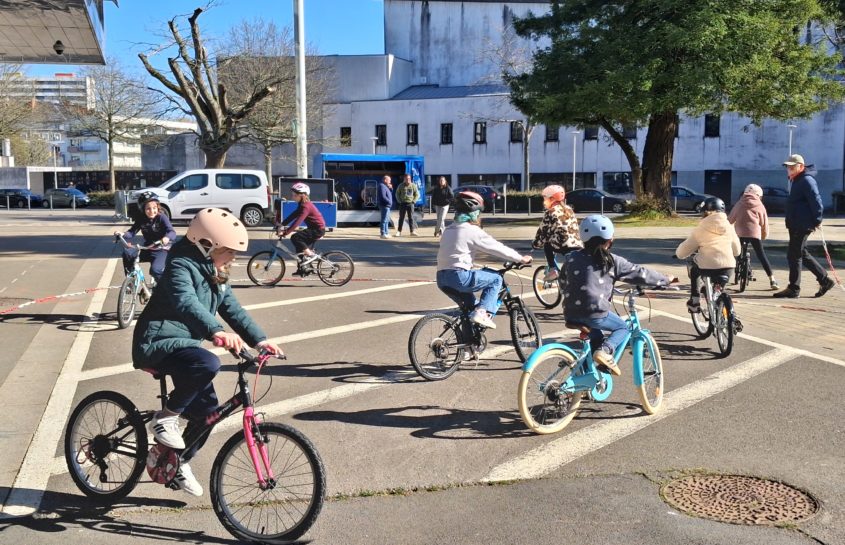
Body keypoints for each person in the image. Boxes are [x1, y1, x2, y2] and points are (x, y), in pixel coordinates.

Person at [133, 208, 283, 496]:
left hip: (185, 344)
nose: (233, 257)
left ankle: (178, 462)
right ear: (207, 245)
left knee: (208, 413)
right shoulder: (180, 264)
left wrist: (260, 340)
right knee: (208, 362)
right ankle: (165, 418)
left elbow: (233, 310)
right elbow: (185, 302)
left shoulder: (216, 271)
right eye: (229, 251)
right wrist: (215, 331)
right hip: (157, 341)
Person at [563, 215, 674, 376]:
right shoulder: (612, 261)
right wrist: (665, 279)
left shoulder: (571, 257)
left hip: (570, 312)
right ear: (610, 240)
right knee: (623, 327)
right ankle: (605, 351)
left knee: (596, 336)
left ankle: (588, 378)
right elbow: (640, 273)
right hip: (594, 313)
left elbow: (563, 281)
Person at [436, 191, 533, 329]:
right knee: (496, 279)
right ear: (474, 212)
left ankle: (468, 346)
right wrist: (521, 258)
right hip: (459, 277)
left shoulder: (448, 229)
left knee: (470, 309)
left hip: (442, 278)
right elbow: (496, 248)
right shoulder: (472, 231)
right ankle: (482, 313)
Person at [774, 154, 835, 298]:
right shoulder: (798, 180)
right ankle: (824, 280)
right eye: (787, 167)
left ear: (801, 167)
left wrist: (817, 219)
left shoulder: (806, 180)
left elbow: (816, 201)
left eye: (791, 166)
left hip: (802, 224)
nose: (788, 169)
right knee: (800, 253)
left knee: (794, 255)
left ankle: (794, 288)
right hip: (796, 223)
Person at [675, 197, 741, 312]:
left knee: (695, 270)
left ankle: (695, 301)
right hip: (729, 267)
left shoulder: (700, 229)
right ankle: (723, 313)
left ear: (705, 212)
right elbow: (737, 251)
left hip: (708, 267)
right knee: (719, 292)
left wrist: (678, 253)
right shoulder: (729, 227)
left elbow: (682, 252)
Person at [115, 191, 176, 283]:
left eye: (154, 208)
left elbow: (172, 232)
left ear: (158, 207)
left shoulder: (162, 217)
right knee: (128, 253)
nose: (152, 211)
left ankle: (164, 288)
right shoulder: (141, 218)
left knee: (155, 270)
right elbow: (132, 232)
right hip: (148, 248)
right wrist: (122, 234)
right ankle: (130, 280)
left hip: (162, 249)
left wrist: (167, 237)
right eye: (148, 209)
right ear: (143, 209)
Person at [727, 183, 778, 289]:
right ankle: (772, 279)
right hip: (755, 234)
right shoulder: (760, 205)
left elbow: (731, 219)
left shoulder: (739, 203)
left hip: (740, 233)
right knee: (761, 255)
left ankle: (727, 276)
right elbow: (764, 223)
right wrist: (764, 235)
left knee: (736, 253)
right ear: (758, 195)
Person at [532, 185, 583, 282]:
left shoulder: (550, 212)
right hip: (577, 244)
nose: (544, 201)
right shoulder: (569, 209)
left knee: (547, 245)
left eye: (545, 198)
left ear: (551, 198)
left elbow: (543, 231)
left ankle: (552, 269)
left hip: (563, 244)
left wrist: (536, 244)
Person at [276, 182, 326, 275]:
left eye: (295, 195)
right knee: (299, 247)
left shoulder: (306, 206)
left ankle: (310, 255)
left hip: (317, 230)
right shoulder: (302, 205)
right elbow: (293, 215)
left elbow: (298, 221)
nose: (292, 197)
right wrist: (281, 224)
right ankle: (303, 269)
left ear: (302, 195)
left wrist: (286, 232)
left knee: (295, 237)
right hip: (314, 228)